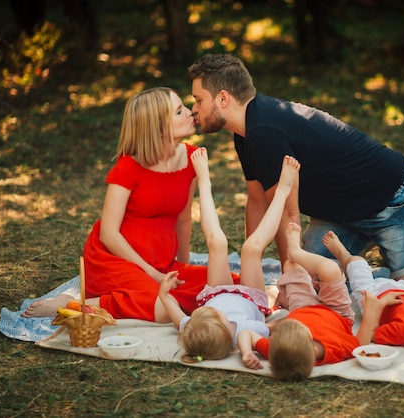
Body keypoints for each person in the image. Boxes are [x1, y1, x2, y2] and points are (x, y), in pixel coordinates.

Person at [187, 53, 404, 300]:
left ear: (223, 98)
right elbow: (258, 201)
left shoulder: (264, 134)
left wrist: (290, 278)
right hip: (338, 214)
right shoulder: (245, 133)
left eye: (198, 100)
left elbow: (285, 214)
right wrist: (250, 265)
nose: (193, 109)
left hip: (391, 198)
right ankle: (366, 243)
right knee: (315, 285)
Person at [22, 87, 232, 322]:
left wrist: (180, 267)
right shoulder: (128, 167)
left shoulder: (192, 159)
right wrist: (151, 273)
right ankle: (76, 303)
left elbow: (183, 219)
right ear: (158, 127)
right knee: (163, 309)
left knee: (228, 283)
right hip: (117, 259)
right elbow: (108, 234)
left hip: (162, 259)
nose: (190, 113)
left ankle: (147, 294)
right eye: (178, 111)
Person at [159, 149, 301, 365]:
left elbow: (174, 311)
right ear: (226, 330)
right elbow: (275, 326)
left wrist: (164, 293)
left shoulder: (195, 330)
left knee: (217, 243)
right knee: (251, 248)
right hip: (250, 297)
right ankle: (282, 191)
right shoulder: (245, 330)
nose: (214, 313)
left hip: (216, 292)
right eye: (216, 315)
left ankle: (204, 181)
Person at [237, 222, 361, 381]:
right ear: (314, 351)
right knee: (329, 269)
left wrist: (247, 352)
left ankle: (294, 259)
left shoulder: (279, 351)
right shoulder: (337, 348)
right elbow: (360, 343)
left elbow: (245, 334)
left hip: (301, 307)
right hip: (337, 313)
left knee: (290, 265)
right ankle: (296, 252)